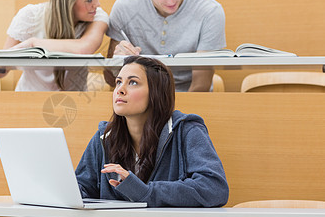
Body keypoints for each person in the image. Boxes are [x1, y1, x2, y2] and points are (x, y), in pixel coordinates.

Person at [76, 56, 229, 207]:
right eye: (118, 82)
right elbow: (82, 188)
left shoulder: (187, 130)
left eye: (133, 82)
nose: (120, 90)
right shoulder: (103, 137)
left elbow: (214, 188)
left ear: (156, 92)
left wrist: (146, 192)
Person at [105, 0, 226, 92]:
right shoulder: (124, 7)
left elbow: (201, 85)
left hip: (189, 99)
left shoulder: (210, 11)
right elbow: (110, 80)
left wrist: (176, 115)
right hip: (139, 98)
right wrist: (118, 64)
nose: (171, 1)